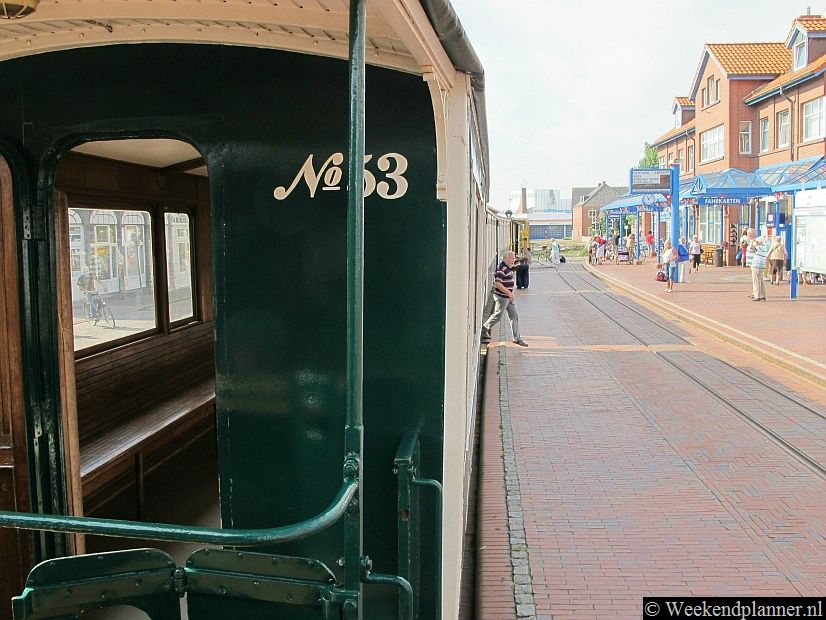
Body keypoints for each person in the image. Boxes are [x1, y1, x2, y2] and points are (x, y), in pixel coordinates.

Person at [481, 251, 528, 347]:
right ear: (506, 258)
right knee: (498, 315)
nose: (513, 261)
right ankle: (484, 328)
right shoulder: (502, 268)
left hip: (508, 297)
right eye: (511, 259)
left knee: (514, 316)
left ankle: (517, 338)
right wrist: (509, 293)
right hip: (502, 297)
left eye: (514, 259)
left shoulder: (507, 267)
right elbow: (498, 283)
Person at [745, 228, 768, 301]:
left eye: (750, 233)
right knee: (760, 280)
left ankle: (757, 295)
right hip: (760, 264)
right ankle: (762, 295)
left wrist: (753, 241)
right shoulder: (764, 247)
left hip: (756, 264)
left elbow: (752, 248)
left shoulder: (758, 246)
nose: (748, 235)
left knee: (756, 280)